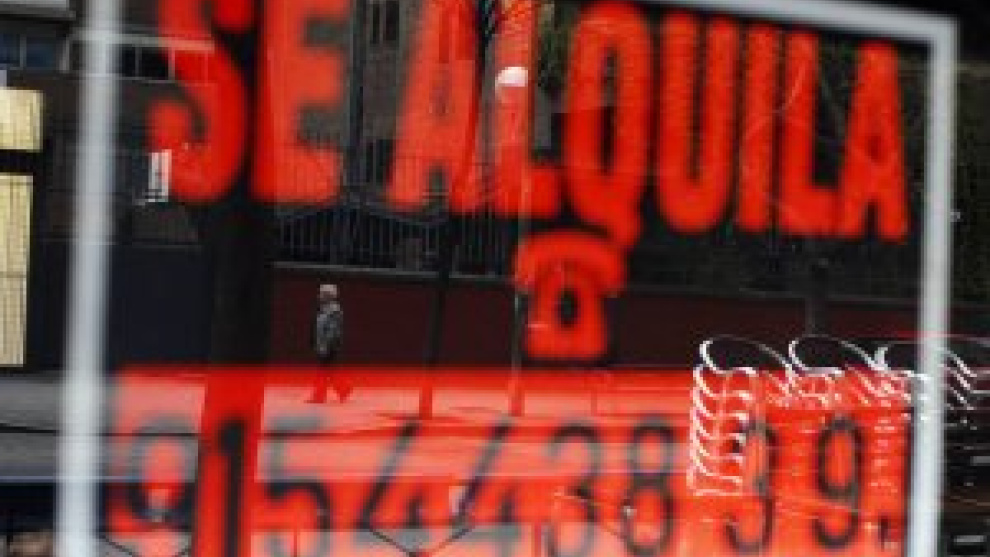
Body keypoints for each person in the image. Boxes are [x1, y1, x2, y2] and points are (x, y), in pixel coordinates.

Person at [313, 283, 344, 365]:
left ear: (328, 296)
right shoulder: (323, 310)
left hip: (328, 350)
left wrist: (325, 347)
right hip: (322, 348)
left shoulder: (334, 311)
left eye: (321, 294)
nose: (319, 296)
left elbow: (332, 332)